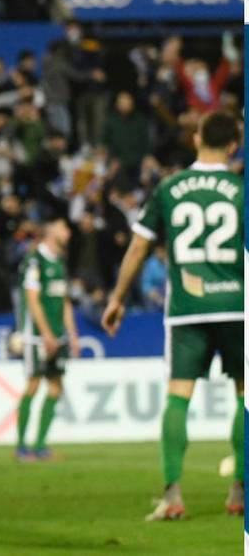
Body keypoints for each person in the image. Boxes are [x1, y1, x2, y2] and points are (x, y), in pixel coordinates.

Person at [102, 110, 244, 521]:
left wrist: (117, 297)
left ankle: (172, 494)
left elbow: (138, 248)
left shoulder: (171, 188)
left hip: (187, 311)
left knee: (178, 396)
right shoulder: (240, 189)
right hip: (238, 307)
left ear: (196, 138)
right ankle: (239, 492)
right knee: (245, 395)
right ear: (234, 144)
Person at [13, 217, 78, 462]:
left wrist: (72, 335)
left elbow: (64, 301)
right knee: (33, 384)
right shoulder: (34, 260)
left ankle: (40, 445)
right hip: (36, 337)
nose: (68, 233)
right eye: (64, 228)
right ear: (51, 231)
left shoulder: (60, 261)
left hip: (58, 336)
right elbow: (32, 299)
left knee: (55, 387)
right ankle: (21, 446)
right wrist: (46, 333)